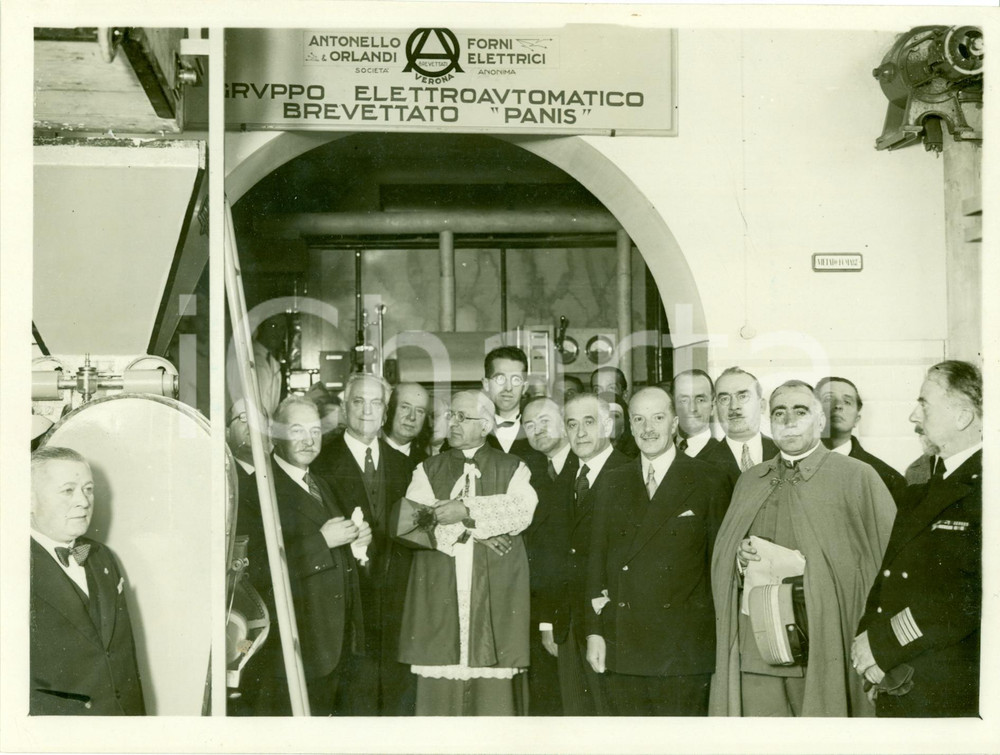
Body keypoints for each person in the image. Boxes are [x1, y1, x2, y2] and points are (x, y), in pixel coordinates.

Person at [710, 380, 896, 717]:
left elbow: (889, 567)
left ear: (821, 421)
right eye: (779, 412)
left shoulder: (858, 477)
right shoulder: (751, 479)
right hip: (758, 645)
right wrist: (739, 557)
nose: (788, 420)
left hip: (826, 642)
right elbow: (725, 554)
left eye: (800, 411)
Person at [585, 387, 729, 716]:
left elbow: (718, 569)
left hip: (683, 648)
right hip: (623, 642)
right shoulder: (611, 481)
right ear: (630, 427)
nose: (648, 428)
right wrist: (595, 631)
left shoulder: (709, 479)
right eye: (639, 419)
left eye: (658, 418)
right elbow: (596, 562)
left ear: (675, 423)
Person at [852, 361, 982, 717]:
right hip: (899, 675)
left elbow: (964, 598)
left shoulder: (986, 488)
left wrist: (880, 647)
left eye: (924, 403)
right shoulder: (922, 488)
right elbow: (888, 576)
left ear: (963, 417)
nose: (913, 416)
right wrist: (869, 653)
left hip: (945, 684)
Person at [395, 390, 538, 716]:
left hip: (495, 592)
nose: (453, 423)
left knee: (493, 702)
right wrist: (474, 530)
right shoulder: (427, 469)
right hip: (440, 587)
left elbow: (520, 510)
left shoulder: (514, 467)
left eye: (462, 417)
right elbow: (414, 522)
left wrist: (465, 510)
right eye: (450, 416)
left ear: (486, 424)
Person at [311, 373, 415, 715]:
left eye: (376, 403)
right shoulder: (320, 463)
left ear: (386, 412)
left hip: (397, 607)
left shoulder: (407, 466)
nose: (367, 411)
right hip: (346, 606)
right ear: (344, 408)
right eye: (358, 402)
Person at [268, 396, 371, 715]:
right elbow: (256, 567)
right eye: (297, 430)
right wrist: (322, 541)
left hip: (336, 646)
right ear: (275, 434)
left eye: (314, 431)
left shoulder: (320, 484)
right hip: (298, 647)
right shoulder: (260, 487)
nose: (309, 440)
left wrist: (358, 545)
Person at [30, 446, 145, 715]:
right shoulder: (12, 567)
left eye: (88, 489)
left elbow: (125, 662)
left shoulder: (101, 557)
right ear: (29, 500)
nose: (83, 501)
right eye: (68, 490)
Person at [544, 392, 630, 715]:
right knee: (576, 723)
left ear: (608, 425)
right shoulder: (563, 477)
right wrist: (549, 622)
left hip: (609, 627)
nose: (579, 433)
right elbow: (554, 552)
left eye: (589, 422)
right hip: (567, 628)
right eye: (572, 424)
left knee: (611, 722)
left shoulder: (630, 474)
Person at [520, 396, 573, 715]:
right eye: (529, 425)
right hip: (542, 611)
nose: (537, 429)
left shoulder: (588, 466)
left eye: (544, 420)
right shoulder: (528, 472)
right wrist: (544, 621)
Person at [816, 376, 906, 504]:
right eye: (828, 399)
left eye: (847, 402)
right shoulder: (786, 466)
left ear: (856, 419)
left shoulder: (886, 478)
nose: (838, 406)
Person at [703, 366, 778, 485]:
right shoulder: (702, 466)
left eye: (743, 396)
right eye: (724, 399)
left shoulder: (783, 454)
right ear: (715, 408)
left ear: (762, 405)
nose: (734, 406)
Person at [479, 345, 536, 460]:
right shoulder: (470, 430)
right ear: (486, 384)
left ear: (524, 387)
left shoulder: (538, 431)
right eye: (500, 378)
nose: (508, 388)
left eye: (516, 380)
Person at [671, 369, 722, 460]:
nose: (692, 408)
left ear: (713, 406)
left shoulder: (724, 459)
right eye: (684, 400)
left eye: (700, 400)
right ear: (672, 406)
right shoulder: (661, 452)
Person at [383, 382, 432, 466]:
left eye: (419, 411)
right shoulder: (368, 451)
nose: (412, 417)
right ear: (390, 408)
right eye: (405, 407)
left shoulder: (426, 464)